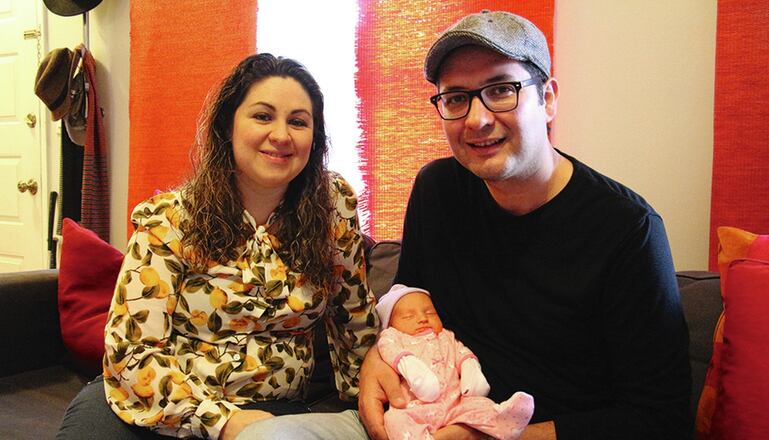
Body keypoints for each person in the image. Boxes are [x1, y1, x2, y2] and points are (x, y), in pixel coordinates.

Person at [358, 10, 692, 440]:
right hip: (426, 421)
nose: (477, 119)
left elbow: (661, 419)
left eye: (501, 90)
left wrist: (492, 435)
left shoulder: (628, 230)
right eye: (456, 97)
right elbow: (410, 309)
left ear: (548, 98)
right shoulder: (437, 190)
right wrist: (375, 363)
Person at [56, 53, 379, 440]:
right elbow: (131, 352)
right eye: (262, 116)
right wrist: (221, 421)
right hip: (160, 404)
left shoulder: (333, 206)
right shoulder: (169, 220)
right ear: (227, 125)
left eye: (298, 121)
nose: (281, 134)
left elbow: (355, 320)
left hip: (272, 412)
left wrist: (380, 408)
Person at [376, 284, 533, 440]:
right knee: (395, 420)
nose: (423, 319)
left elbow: (462, 353)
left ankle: (505, 421)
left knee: (479, 405)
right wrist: (410, 365)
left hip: (455, 402)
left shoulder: (446, 336)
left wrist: (471, 373)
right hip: (416, 406)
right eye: (409, 317)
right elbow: (389, 350)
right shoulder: (394, 337)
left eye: (430, 313)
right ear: (390, 325)